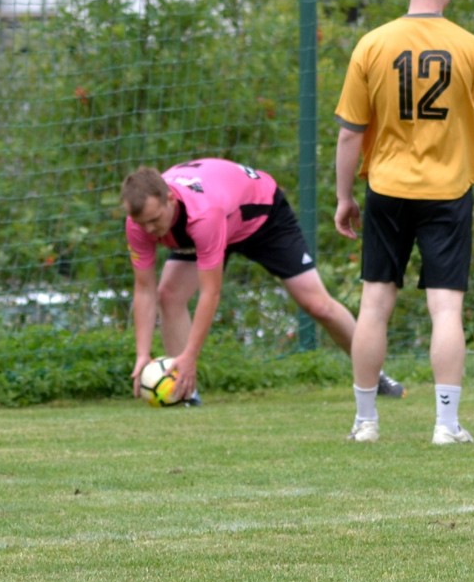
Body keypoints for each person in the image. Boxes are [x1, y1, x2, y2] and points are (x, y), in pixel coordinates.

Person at [334, 0, 474, 445]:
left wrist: (344, 197)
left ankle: (365, 422)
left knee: (374, 302)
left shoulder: (372, 45)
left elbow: (349, 135)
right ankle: (446, 426)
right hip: (447, 191)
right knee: (445, 308)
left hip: (386, 188)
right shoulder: (470, 48)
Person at [122, 158, 403, 405]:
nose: (149, 230)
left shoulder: (203, 214)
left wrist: (190, 356)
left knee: (318, 305)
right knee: (169, 296)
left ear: (170, 199)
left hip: (262, 217)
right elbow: (144, 289)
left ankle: (374, 375)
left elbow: (211, 293)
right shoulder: (139, 223)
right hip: (219, 218)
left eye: (154, 220)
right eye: (142, 223)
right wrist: (142, 354)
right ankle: (183, 393)